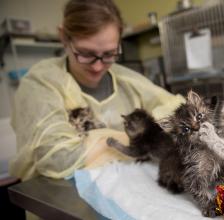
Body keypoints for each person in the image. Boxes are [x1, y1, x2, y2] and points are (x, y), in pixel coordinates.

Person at [9, 0, 184, 181]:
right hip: (57, 200)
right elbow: (56, 159)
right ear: (63, 37)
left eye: (109, 54)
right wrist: (140, 139)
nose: (98, 66)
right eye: (86, 53)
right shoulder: (41, 84)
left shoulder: (128, 81)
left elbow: (178, 112)